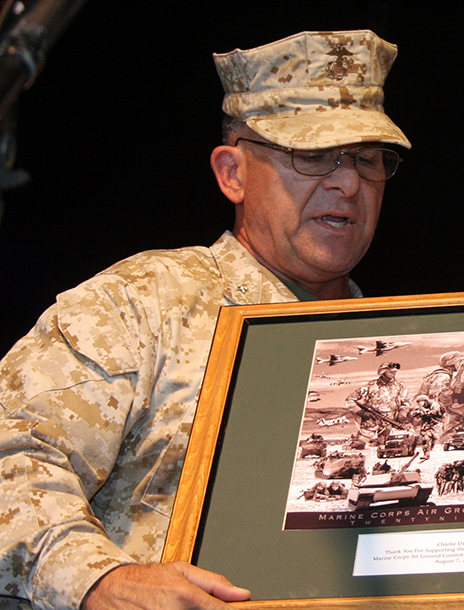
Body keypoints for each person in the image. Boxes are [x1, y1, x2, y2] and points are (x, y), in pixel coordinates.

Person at [0, 30, 410, 610]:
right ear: (232, 173)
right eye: (312, 155)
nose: (348, 182)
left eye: (368, 160)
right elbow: (13, 458)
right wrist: (101, 582)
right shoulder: (144, 303)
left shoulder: (398, 351)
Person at [345, 361, 410, 439]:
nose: (393, 373)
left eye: (394, 371)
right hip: (370, 423)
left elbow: (406, 403)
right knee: (360, 444)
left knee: (393, 445)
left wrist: (402, 414)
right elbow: (349, 400)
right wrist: (361, 412)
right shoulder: (370, 386)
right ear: (383, 372)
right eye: (390, 371)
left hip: (391, 423)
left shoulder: (400, 386)